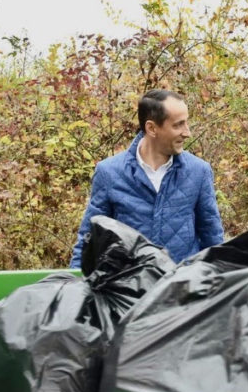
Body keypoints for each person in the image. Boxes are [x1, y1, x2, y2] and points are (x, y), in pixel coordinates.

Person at [69, 89, 224, 267]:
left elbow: (213, 239)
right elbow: (88, 239)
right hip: (129, 282)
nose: (187, 132)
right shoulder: (109, 173)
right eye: (178, 125)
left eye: (186, 123)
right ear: (152, 128)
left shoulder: (198, 171)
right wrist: (75, 279)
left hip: (182, 282)